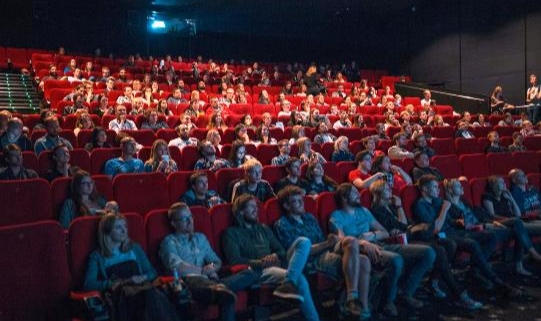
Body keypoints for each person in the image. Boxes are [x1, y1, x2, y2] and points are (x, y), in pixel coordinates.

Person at [369, 180, 482, 309]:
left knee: (447, 245)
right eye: (386, 189)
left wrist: (399, 206)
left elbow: (404, 224)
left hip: (411, 235)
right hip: (402, 240)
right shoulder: (377, 210)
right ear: (378, 192)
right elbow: (399, 227)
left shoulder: (393, 206)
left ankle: (433, 283)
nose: (390, 190)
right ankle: (458, 293)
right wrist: (400, 221)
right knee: (438, 250)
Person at [330, 183, 435, 316]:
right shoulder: (336, 216)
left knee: (428, 253)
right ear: (344, 198)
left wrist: (372, 235)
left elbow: (384, 232)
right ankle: (388, 302)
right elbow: (342, 241)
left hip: (380, 243)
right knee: (396, 260)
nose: (358, 194)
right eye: (354, 192)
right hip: (363, 251)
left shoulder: (364, 211)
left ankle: (405, 292)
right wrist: (362, 242)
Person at [274, 186, 372, 319]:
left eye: (301, 200)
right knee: (363, 261)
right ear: (286, 205)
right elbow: (299, 253)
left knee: (352, 242)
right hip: (312, 260)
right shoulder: (283, 224)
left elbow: (323, 241)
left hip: (327, 251)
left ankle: (358, 305)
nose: (302, 203)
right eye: (296, 201)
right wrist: (327, 244)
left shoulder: (309, 218)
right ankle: (354, 304)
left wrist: (331, 241)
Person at [417, 175, 523, 294]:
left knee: (491, 236)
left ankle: (475, 271)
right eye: (435, 187)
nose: (438, 190)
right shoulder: (420, 205)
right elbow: (435, 229)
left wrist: (458, 222)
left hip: (456, 231)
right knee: (472, 244)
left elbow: (449, 221)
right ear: (425, 189)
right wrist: (444, 209)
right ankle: (497, 282)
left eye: (437, 187)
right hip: (443, 236)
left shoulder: (437, 201)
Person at [222, 194, 321, 321]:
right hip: (259, 270)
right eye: (251, 206)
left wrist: (274, 256)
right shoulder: (231, 233)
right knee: (300, 279)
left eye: (256, 206)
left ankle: (288, 282)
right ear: (240, 211)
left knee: (304, 241)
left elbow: (280, 250)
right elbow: (235, 260)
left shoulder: (263, 228)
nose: (255, 210)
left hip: (278, 262)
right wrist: (261, 263)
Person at [160, 203, 257, 321]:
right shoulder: (169, 242)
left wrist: (211, 268)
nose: (190, 221)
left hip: (210, 280)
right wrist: (202, 271)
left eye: (190, 217)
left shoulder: (200, 238)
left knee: (249, 273)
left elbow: (216, 262)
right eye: (184, 219)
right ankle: (219, 289)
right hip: (188, 281)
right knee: (225, 294)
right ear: (173, 223)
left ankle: (218, 289)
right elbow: (176, 267)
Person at [84, 214, 181, 321]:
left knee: (152, 295)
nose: (123, 230)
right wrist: (112, 283)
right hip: (121, 295)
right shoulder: (97, 256)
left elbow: (152, 272)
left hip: (142, 287)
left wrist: (143, 277)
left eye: (125, 226)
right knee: (149, 297)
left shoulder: (134, 248)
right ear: (107, 231)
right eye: (118, 227)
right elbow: (89, 284)